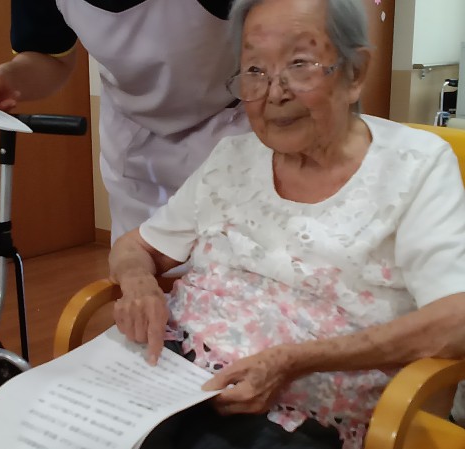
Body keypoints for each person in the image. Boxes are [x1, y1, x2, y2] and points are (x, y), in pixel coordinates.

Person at [108, 0, 465, 448]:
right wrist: (139, 284)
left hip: (302, 410)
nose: (274, 92)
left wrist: (294, 361)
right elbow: (135, 247)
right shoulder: (231, 157)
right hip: (175, 377)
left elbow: (455, 321)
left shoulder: (416, 165)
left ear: (355, 73)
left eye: (300, 64)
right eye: (255, 70)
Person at [0, 0, 251, 242]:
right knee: (137, 269)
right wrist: (11, 77)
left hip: (235, 131)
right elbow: (46, 55)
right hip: (133, 145)